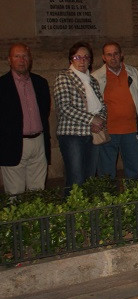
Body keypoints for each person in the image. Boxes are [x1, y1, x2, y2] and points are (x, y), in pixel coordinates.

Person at [53, 42, 106, 192]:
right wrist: (92, 120)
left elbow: (102, 106)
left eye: (86, 57)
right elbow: (64, 108)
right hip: (72, 135)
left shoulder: (93, 81)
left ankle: (87, 213)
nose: (82, 61)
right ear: (71, 60)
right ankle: (72, 213)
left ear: (90, 61)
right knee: (75, 178)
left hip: (93, 133)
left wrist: (100, 121)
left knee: (89, 177)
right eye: (77, 57)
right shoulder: (64, 78)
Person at [0, 44, 51, 195]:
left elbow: (45, 111)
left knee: (38, 192)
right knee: (15, 193)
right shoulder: (2, 85)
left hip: (38, 142)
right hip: (13, 144)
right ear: (9, 60)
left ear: (30, 59)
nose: (22, 60)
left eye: (25, 56)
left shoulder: (40, 82)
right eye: (17, 56)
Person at [92, 42, 138, 180]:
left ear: (121, 55)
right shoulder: (96, 77)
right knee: (106, 173)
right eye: (109, 54)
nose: (113, 57)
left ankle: (133, 199)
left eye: (116, 53)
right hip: (109, 131)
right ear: (103, 57)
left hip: (131, 130)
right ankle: (109, 200)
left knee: (133, 171)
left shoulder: (133, 73)